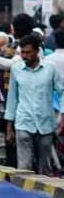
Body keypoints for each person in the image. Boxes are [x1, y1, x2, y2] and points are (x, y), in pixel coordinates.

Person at [5, 34, 63, 175]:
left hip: (45, 123)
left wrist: (62, 115)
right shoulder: (16, 69)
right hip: (24, 121)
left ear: (37, 51)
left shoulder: (50, 68)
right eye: (23, 52)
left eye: (28, 52)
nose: (25, 56)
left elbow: (62, 92)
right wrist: (9, 127)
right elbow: (12, 98)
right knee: (24, 167)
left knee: (45, 167)